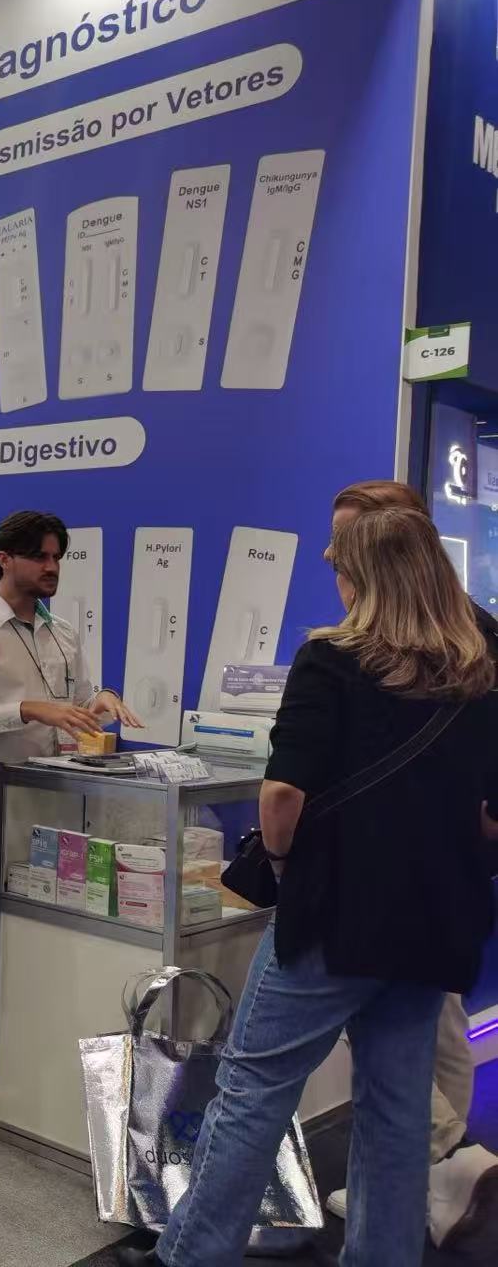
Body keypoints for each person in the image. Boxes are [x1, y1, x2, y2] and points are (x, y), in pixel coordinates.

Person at [122, 508, 498, 1266]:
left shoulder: (331, 659)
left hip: (335, 915)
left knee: (252, 1092)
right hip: (435, 922)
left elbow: (282, 796)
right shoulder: (478, 670)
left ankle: (192, 1255)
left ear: (362, 575)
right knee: (396, 1110)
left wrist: (289, 871)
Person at [316, 480, 498, 1250]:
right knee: (432, 1017)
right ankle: (431, 1180)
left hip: (400, 873)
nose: (336, 559)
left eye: (348, 544)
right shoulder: (462, 625)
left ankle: (444, 1158)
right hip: (440, 872)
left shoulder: (422, 639)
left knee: (387, 1029)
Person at [0, 510, 139, 1112]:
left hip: (53, 790)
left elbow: (78, 701)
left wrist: (102, 700)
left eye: (57, 558)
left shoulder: (63, 632)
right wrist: (26, 709)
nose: (52, 568)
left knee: (45, 921)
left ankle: (36, 1048)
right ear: (5, 559)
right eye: (40, 556)